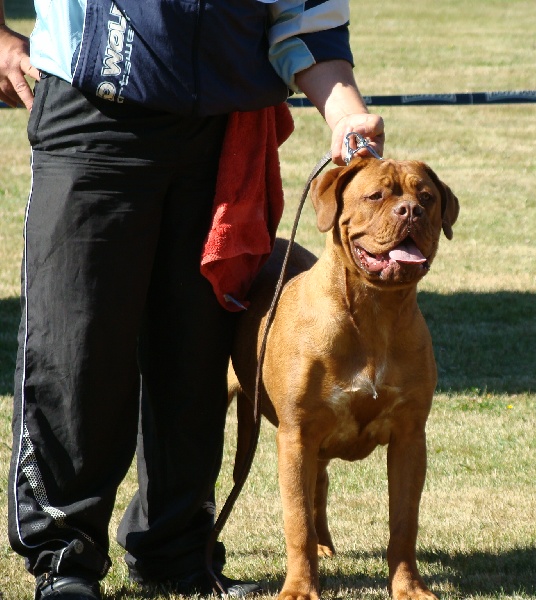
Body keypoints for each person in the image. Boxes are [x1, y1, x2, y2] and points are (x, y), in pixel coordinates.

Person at [0, 1, 385, 599]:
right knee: (76, 346)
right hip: (92, 113)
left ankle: (177, 551)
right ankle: (65, 560)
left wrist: (346, 113)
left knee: (196, 351)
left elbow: (305, 15)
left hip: (220, 131)